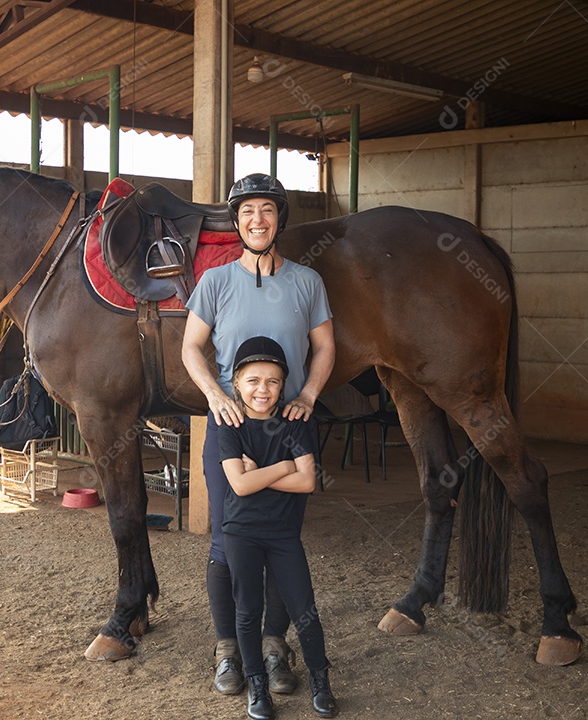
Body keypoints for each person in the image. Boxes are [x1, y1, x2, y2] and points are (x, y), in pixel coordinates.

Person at [182, 173, 335, 697]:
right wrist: (215, 396)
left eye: (266, 210)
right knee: (229, 542)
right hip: (232, 428)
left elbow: (325, 348)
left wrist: (309, 396)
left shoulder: (307, 282)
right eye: (247, 212)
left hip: (287, 426)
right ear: (237, 221)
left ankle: (274, 645)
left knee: (279, 539)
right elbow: (190, 349)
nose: (257, 220)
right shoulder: (215, 282)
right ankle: (229, 650)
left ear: (279, 219)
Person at [219, 336, 338, 719]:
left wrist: (269, 472)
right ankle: (257, 685)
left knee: (304, 606)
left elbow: (307, 482)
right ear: (237, 383)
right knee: (248, 610)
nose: (263, 390)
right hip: (242, 531)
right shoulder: (230, 425)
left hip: (283, 533)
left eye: (272, 381)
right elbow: (239, 484)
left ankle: (321, 679)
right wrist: (286, 467)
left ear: (282, 385)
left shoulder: (295, 421)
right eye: (253, 380)